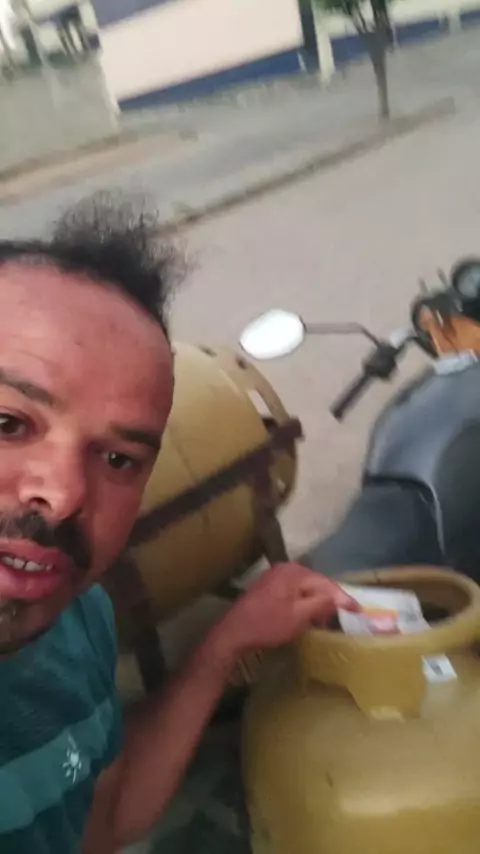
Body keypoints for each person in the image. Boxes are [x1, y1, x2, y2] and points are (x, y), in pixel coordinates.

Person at [0, 193, 358, 854]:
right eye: (9, 423)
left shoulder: (77, 620)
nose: (66, 495)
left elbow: (99, 823)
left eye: (118, 459)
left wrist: (225, 646)